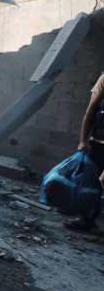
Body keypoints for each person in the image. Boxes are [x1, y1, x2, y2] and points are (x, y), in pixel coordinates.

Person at [64, 72, 104, 230]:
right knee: (92, 184)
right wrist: (83, 140)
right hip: (98, 143)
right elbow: (92, 109)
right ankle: (86, 219)